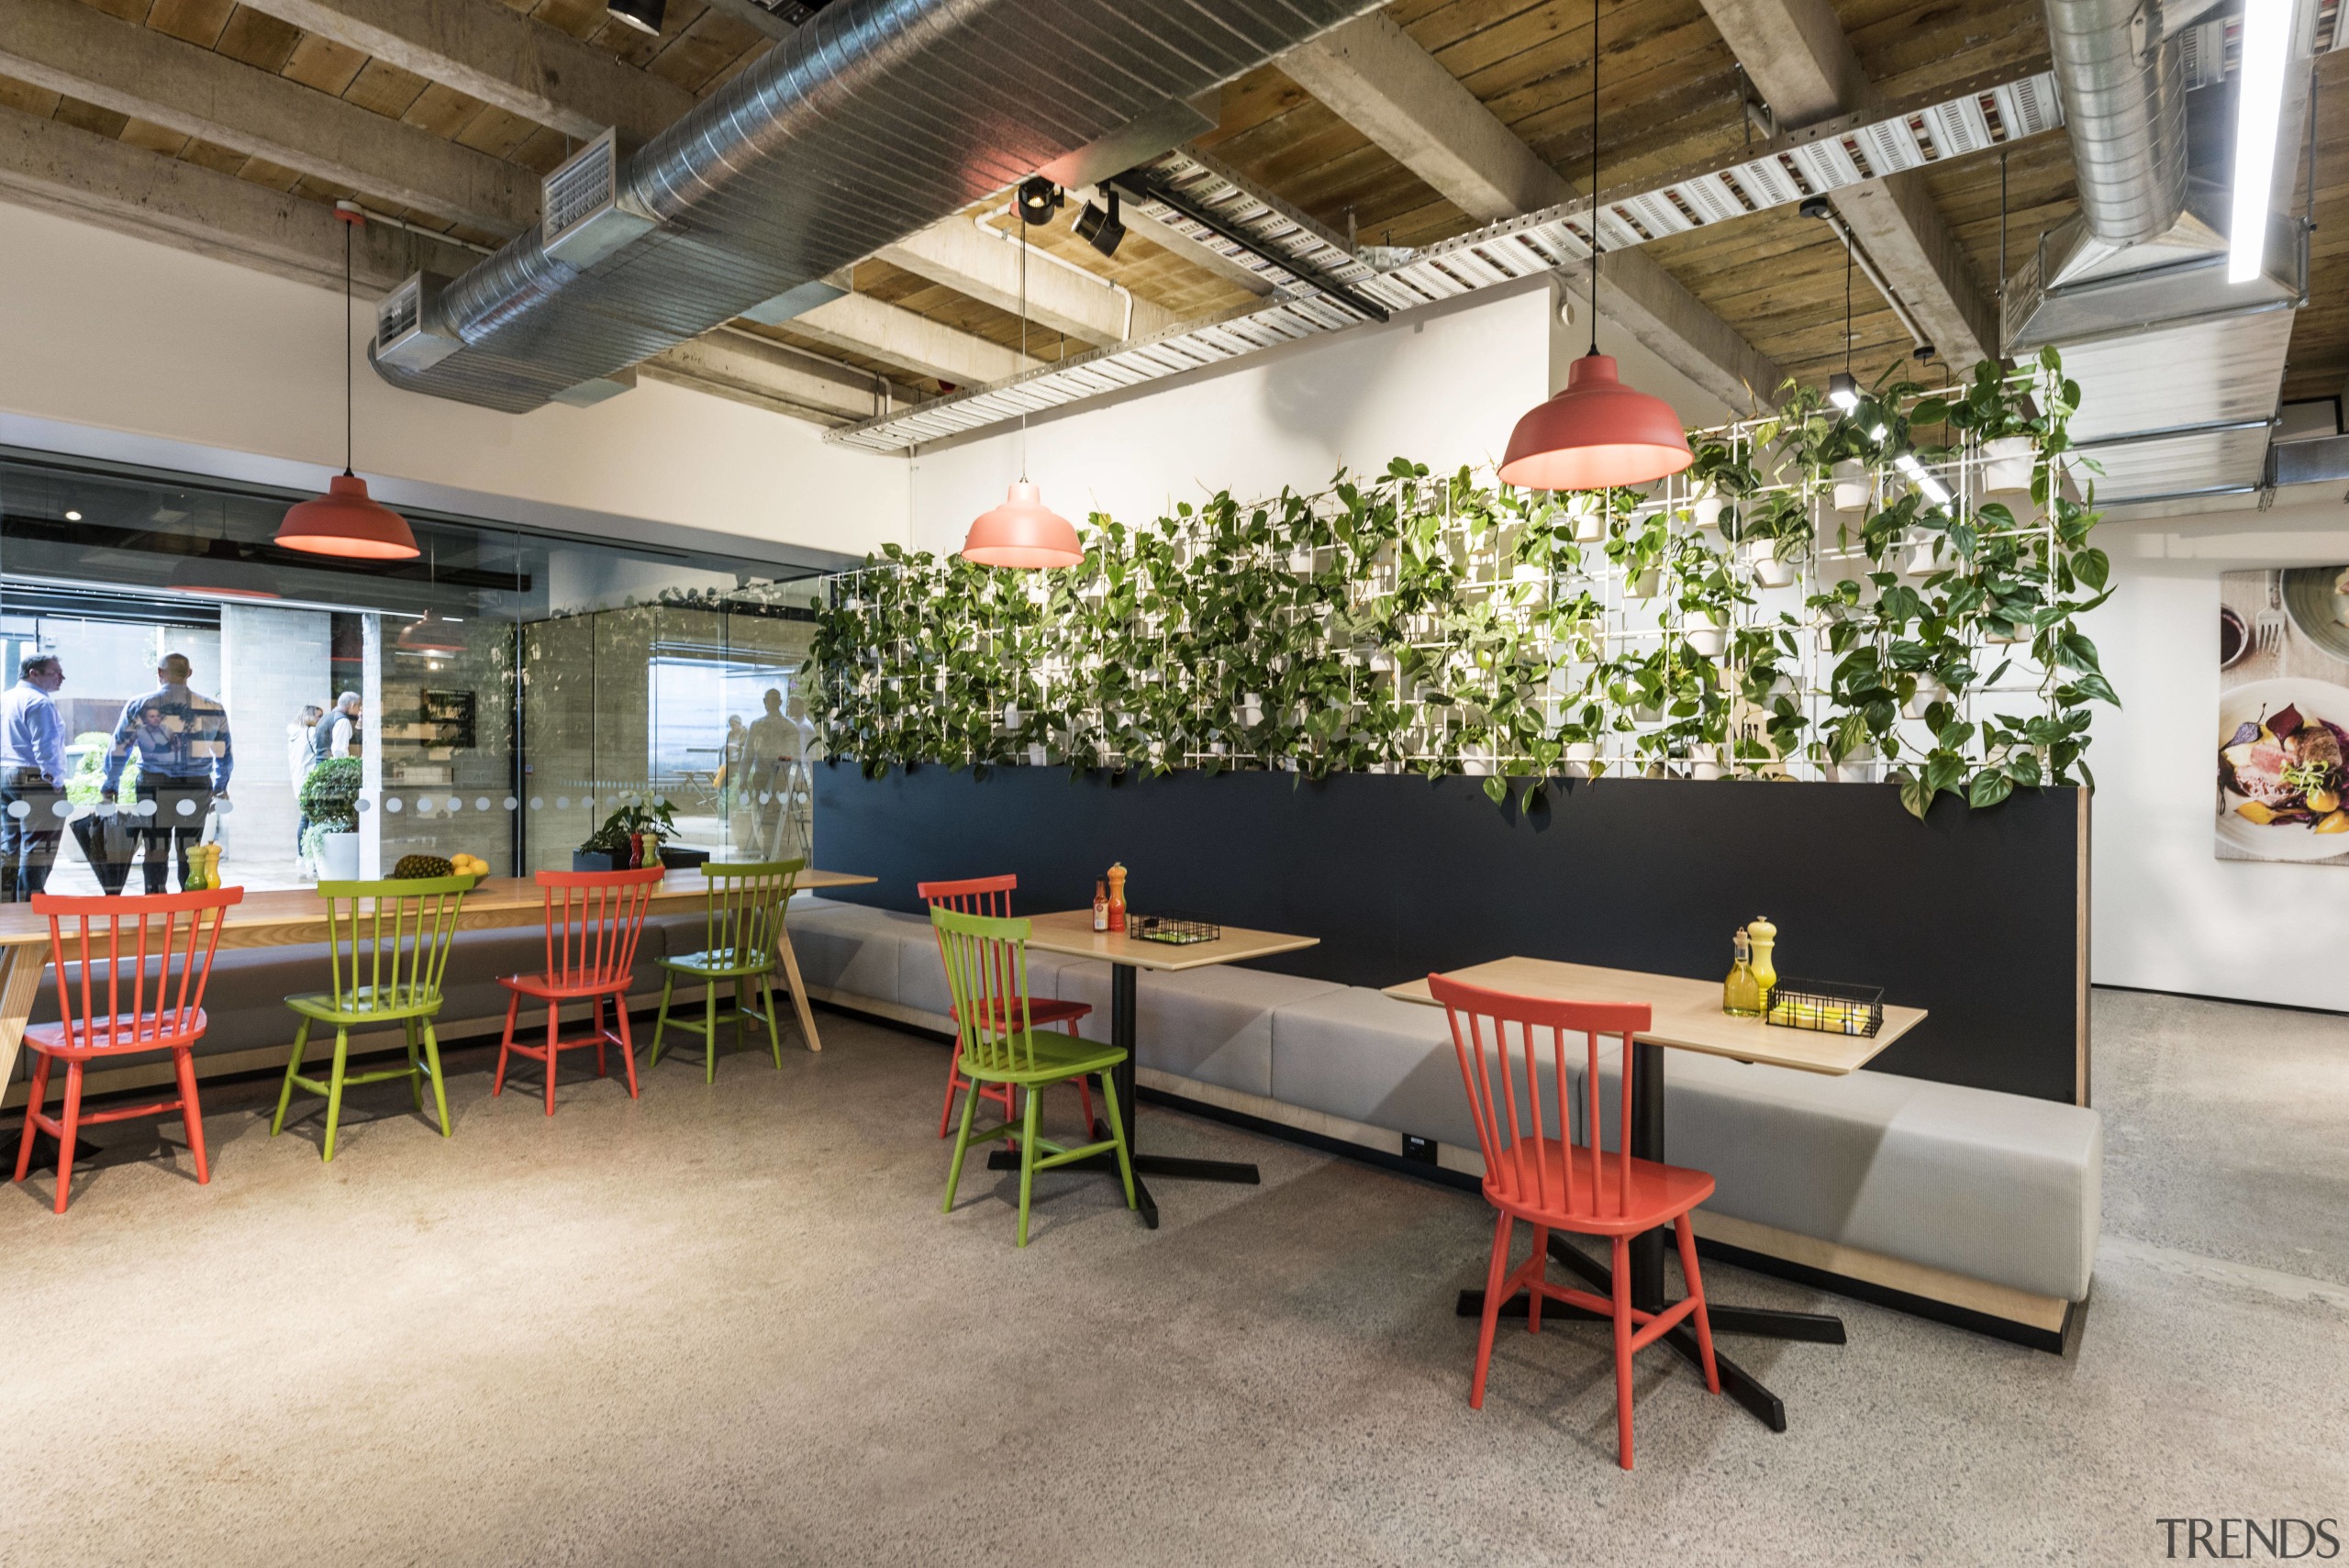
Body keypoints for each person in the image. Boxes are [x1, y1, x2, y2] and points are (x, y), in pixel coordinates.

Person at [101, 651, 233, 895]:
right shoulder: (213, 708)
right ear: (189, 674)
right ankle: (189, 901)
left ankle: (155, 898)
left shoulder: (140, 705)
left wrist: (110, 784)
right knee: (190, 848)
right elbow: (224, 752)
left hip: (153, 785)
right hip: (196, 786)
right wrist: (220, 785)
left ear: (160, 674)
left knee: (155, 846)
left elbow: (120, 748)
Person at [0, 654, 68, 902]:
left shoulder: (4, 698)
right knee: (39, 845)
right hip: (35, 777)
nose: (61, 678)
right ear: (33, 674)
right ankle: (30, 901)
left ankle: (6, 903)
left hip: (6, 774)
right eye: (55, 672)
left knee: (11, 843)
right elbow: (46, 747)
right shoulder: (40, 702)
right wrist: (56, 783)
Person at [290, 703, 325, 858]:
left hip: (299, 782)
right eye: (319, 716)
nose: (321, 720)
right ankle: (309, 856)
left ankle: (302, 856)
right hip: (310, 781)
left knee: (305, 819)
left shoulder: (294, 736)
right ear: (310, 717)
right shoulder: (311, 733)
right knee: (311, 819)